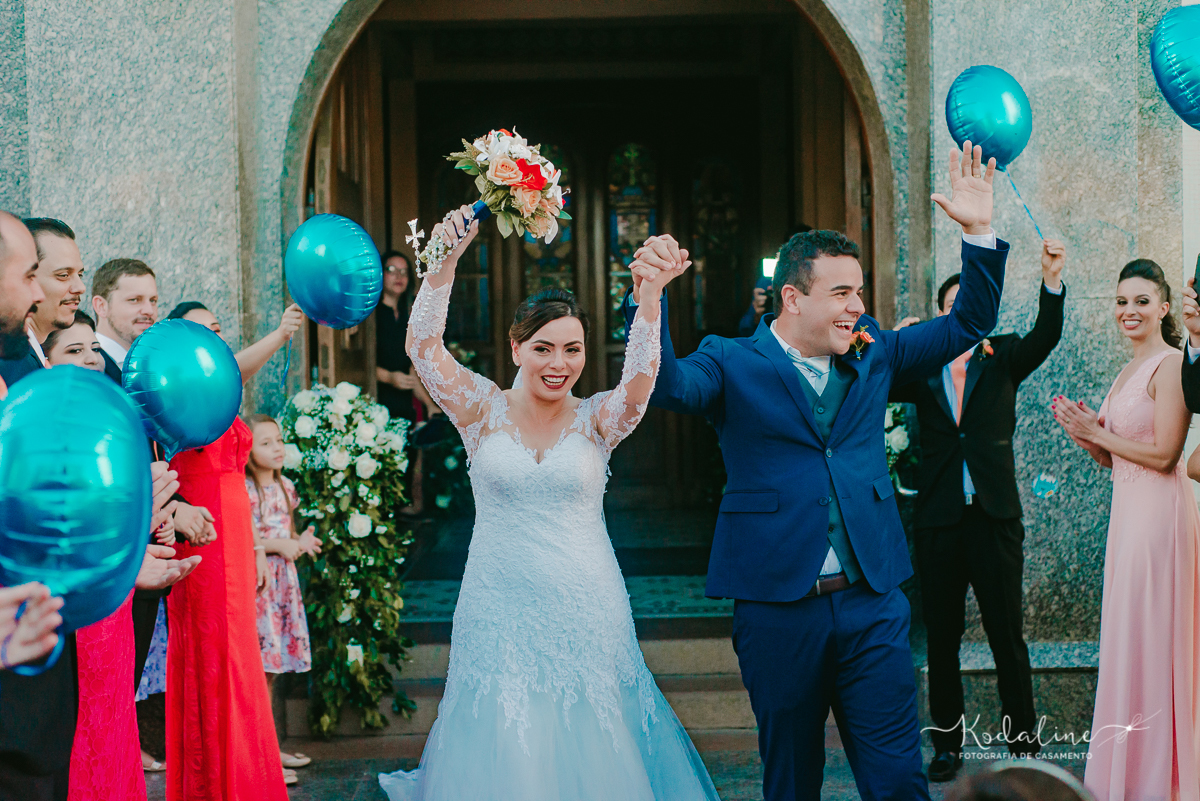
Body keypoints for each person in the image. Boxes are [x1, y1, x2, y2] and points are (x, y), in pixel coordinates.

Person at [622, 142, 1007, 800]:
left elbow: (970, 320)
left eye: (858, 290)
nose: (857, 304)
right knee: (791, 780)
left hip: (873, 601)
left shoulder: (876, 351)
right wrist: (650, 301)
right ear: (793, 298)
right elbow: (667, 387)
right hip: (777, 608)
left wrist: (978, 232)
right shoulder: (732, 360)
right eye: (841, 292)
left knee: (897, 782)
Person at [378, 206, 719, 800]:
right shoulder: (479, 409)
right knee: (506, 740)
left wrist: (650, 302)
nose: (559, 364)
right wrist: (444, 265)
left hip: (586, 602)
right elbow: (423, 347)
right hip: (497, 601)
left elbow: (641, 380)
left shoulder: (597, 421)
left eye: (573, 350)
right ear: (515, 349)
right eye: (543, 348)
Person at [888, 239, 1066, 781]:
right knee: (941, 639)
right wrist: (898, 342)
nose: (961, 310)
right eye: (952, 304)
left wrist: (1051, 281)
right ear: (946, 316)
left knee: (1006, 636)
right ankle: (947, 747)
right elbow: (876, 379)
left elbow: (1047, 335)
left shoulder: (1005, 355)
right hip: (940, 523)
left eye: (970, 301)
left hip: (993, 518)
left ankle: (1024, 746)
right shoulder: (921, 369)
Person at [1053, 259, 1200, 798]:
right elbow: (1118, 463)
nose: (1129, 311)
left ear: (1165, 307)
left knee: (1153, 640)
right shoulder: (1126, 371)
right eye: (1121, 301)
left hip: (1158, 523)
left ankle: (1161, 778)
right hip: (1127, 522)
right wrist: (1088, 438)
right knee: (1129, 642)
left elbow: (1165, 456)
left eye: (1141, 300)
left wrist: (1100, 432)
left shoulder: (1170, 365)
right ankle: (1129, 775)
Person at [163, 301, 302, 799]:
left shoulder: (220, 389)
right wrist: (279, 336)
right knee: (216, 654)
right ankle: (220, 781)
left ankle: (248, 773)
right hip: (204, 533)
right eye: (202, 334)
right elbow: (236, 366)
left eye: (218, 331)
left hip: (238, 535)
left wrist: (259, 549)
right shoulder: (180, 389)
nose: (214, 342)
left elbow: (232, 371)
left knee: (240, 650)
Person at [244, 413, 320, 770]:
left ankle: (270, 750)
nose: (277, 448)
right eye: (265, 442)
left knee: (270, 673)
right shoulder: (245, 491)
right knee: (259, 672)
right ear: (246, 450)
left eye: (278, 440)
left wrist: (299, 541)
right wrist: (278, 546)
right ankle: (262, 755)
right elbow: (249, 539)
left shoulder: (286, 487)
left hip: (283, 589)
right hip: (261, 588)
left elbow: (287, 534)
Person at [0, 218, 84, 387]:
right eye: (63, 275)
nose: (80, 287)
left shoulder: (28, 359)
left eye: (80, 275)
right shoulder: (13, 365)